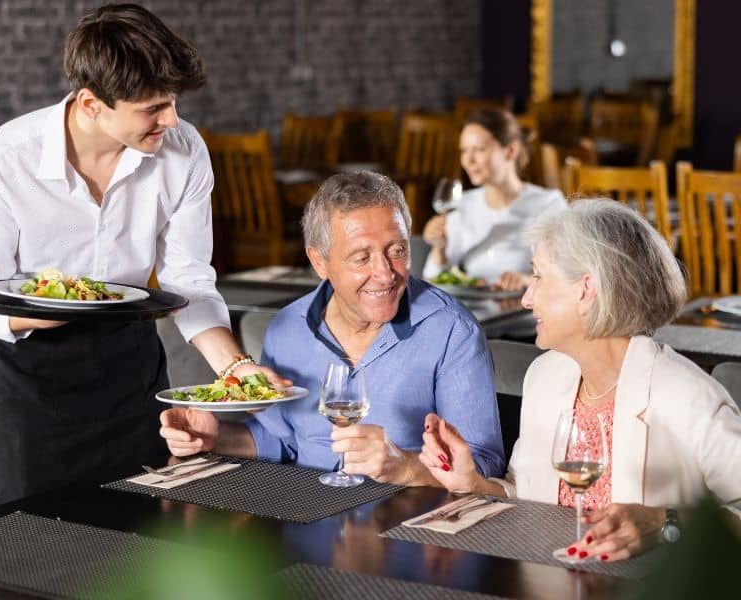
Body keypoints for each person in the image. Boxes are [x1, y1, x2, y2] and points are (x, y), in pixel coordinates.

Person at [0, 3, 283, 512]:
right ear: (91, 104)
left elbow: (189, 281)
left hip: (130, 374)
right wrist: (70, 305)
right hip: (28, 384)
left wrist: (236, 366)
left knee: (140, 552)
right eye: (153, 108)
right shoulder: (0, 164)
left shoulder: (184, 151)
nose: (171, 119)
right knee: (22, 557)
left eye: (172, 102)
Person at [420, 199, 741, 561]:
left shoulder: (688, 397)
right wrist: (475, 484)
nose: (526, 298)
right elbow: (527, 494)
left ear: (586, 289)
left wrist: (666, 521)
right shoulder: (545, 377)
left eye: (538, 276)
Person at [160, 171, 505, 485]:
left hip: (413, 528)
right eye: (361, 257)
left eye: (397, 250)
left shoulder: (451, 331)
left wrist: (406, 466)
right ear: (318, 261)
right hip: (309, 519)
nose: (386, 273)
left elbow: (484, 463)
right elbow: (283, 440)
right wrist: (215, 437)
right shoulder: (288, 328)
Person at [422, 108, 566, 290]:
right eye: (464, 150)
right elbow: (433, 279)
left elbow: (565, 274)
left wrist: (526, 280)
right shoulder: (463, 204)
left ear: (511, 151)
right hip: (473, 309)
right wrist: (439, 247)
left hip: (526, 310)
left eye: (479, 149)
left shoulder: (548, 204)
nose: (468, 160)